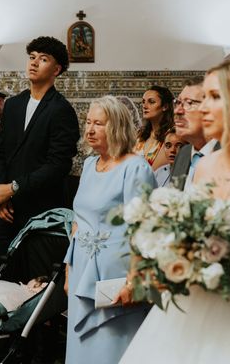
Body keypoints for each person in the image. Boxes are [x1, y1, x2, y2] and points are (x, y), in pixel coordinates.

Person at [119, 59, 230, 364]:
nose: (202, 107)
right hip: (189, 306)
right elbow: (188, 231)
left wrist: (219, 268)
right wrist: (172, 257)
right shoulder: (205, 165)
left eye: (214, 97)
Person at [65, 95, 156, 364]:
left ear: (116, 127)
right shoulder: (90, 165)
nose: (90, 130)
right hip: (82, 269)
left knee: (112, 348)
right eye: (88, 122)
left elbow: (143, 230)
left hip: (115, 275)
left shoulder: (136, 167)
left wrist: (133, 281)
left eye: (99, 124)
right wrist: (69, 269)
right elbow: (77, 220)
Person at [0, 36, 80, 269]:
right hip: (6, 210)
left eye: (43, 59)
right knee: (1, 278)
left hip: (41, 213)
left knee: (34, 282)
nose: (34, 62)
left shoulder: (61, 110)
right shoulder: (13, 105)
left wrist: (13, 188)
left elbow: (58, 165)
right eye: (31, 57)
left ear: (56, 69)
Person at [169, 77, 219, 190]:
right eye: (178, 103)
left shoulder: (228, 154)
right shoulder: (183, 154)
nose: (178, 110)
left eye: (189, 103)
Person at [133, 85, 174, 171]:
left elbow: (154, 171)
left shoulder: (171, 135)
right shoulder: (140, 135)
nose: (144, 106)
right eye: (143, 102)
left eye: (151, 102)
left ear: (165, 106)